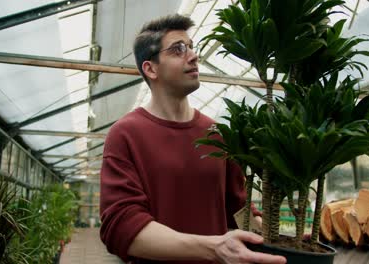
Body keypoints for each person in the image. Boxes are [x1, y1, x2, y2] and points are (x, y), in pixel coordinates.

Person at [99, 14, 286, 264]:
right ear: (150, 68)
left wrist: (280, 239)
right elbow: (122, 226)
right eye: (178, 49)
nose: (193, 55)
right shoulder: (126, 134)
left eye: (191, 46)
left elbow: (239, 207)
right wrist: (214, 248)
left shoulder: (216, 132)